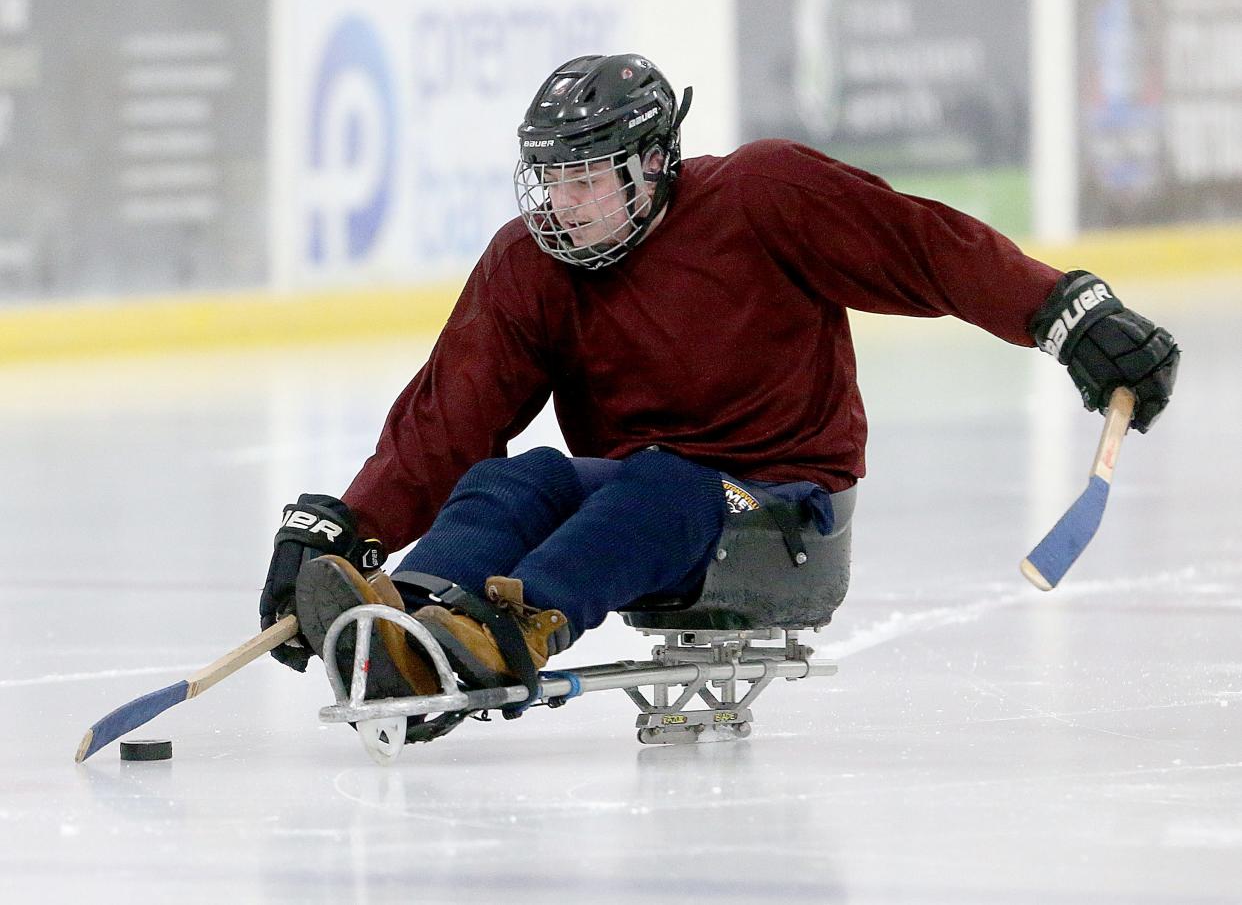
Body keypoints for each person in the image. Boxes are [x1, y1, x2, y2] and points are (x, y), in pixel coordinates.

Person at [258, 54, 1179, 724]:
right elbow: (448, 414)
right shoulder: (529, 264)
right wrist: (350, 521)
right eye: (552, 179)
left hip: (780, 515)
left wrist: (1065, 311)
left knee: (665, 481)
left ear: (655, 164)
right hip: (639, 501)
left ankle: (498, 635)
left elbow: (927, 251)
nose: (563, 205)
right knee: (519, 475)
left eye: (588, 179)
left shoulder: (763, 197)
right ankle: (411, 629)